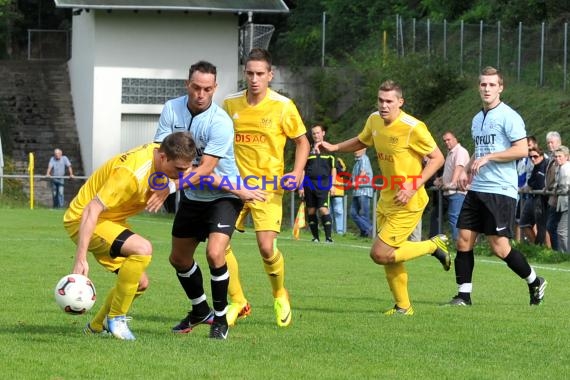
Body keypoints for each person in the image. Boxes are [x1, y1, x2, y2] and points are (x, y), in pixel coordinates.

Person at [316, 79, 451, 316]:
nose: (384, 105)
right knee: (389, 256)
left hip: (408, 200)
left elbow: (438, 158)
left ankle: (432, 245)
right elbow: (363, 140)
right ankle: (403, 306)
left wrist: (413, 185)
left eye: (389, 101)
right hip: (387, 198)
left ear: (400, 102)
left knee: (379, 253)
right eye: (380, 100)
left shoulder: (413, 127)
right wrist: (335, 148)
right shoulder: (374, 119)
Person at [152, 61, 265, 340]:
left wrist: (170, 186)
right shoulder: (171, 109)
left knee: (215, 253)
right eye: (195, 87)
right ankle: (199, 310)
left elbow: (205, 170)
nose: (200, 94)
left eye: (206, 89)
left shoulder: (221, 122)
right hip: (193, 196)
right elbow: (159, 153)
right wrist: (160, 179)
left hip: (224, 196)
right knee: (178, 258)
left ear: (214, 89)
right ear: (186, 84)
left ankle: (220, 318)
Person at [63, 132, 196, 340]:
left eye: (185, 169)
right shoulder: (130, 173)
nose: (182, 175)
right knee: (143, 248)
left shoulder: (165, 154)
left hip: (110, 220)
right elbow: (91, 209)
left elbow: (194, 172)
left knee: (139, 283)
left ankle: (97, 326)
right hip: (83, 219)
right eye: (178, 169)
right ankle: (116, 318)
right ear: (162, 157)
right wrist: (80, 258)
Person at [446, 66, 547, 307]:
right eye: (483, 84)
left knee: (500, 248)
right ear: (478, 87)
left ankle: (534, 281)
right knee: (463, 239)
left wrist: (489, 158)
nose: (487, 88)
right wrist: (466, 168)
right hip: (477, 188)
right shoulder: (476, 118)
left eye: (492, 84)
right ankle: (463, 295)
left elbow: (522, 150)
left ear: (500, 87)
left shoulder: (509, 116)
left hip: (500, 190)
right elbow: (481, 151)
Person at [223, 48, 310, 327]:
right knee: (217, 245)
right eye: (249, 73)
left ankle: (279, 294)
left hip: (268, 187)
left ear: (270, 75)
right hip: (235, 187)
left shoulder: (283, 106)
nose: (254, 79)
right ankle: (238, 301)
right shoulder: (230, 104)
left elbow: (303, 141)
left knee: (266, 247)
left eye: (260, 73)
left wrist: (296, 172)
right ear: (244, 74)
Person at [299, 125, 336, 243]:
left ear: (323, 133)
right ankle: (315, 237)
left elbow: (333, 169)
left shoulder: (329, 149)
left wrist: (333, 185)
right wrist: (300, 186)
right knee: (311, 210)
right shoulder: (307, 150)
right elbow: (302, 169)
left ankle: (328, 238)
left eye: (318, 133)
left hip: (324, 184)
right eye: (314, 133)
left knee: (323, 209)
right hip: (309, 184)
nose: (316, 135)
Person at [433, 132, 470, 240]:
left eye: (448, 139)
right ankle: (460, 242)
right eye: (445, 141)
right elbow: (449, 171)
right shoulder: (450, 153)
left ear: (455, 139)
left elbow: (459, 168)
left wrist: (452, 184)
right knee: (455, 217)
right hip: (452, 191)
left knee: (455, 217)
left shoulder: (460, 151)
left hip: (458, 190)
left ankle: (459, 243)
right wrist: (441, 180)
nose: (446, 142)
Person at [520, 147, 548, 245]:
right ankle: (536, 247)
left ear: (541, 156)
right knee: (524, 223)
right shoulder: (536, 165)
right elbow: (530, 181)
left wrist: (531, 185)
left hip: (542, 199)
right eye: (530, 157)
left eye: (535, 156)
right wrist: (531, 185)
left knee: (543, 227)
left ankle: (544, 250)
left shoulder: (545, 164)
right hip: (534, 197)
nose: (532, 159)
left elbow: (540, 184)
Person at [545, 131, 562, 250]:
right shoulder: (552, 156)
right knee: (552, 226)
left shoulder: (561, 155)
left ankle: (559, 252)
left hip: (558, 196)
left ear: (559, 142)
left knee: (552, 226)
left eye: (552, 142)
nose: (550, 145)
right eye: (548, 143)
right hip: (552, 196)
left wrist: (553, 188)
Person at [351, 148, 374, 237]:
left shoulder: (364, 158)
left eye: (358, 149)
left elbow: (363, 172)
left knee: (364, 214)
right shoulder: (357, 162)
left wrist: (356, 182)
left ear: (364, 149)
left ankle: (369, 231)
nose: (355, 150)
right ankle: (366, 230)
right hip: (357, 191)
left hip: (364, 190)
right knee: (353, 213)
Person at [552, 146, 570, 252]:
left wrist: (557, 189)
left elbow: (566, 185)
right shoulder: (560, 167)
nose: (557, 158)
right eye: (556, 156)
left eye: (560, 156)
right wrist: (555, 188)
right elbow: (558, 183)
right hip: (563, 202)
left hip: (567, 202)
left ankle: (565, 255)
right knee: (561, 230)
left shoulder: (566, 168)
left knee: (562, 231)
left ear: (567, 157)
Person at [331, 157, 347, 235]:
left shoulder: (339, 161)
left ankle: (340, 231)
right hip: (328, 190)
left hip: (338, 191)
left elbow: (343, 170)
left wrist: (337, 164)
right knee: (329, 212)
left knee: (338, 212)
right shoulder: (326, 162)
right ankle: (330, 230)